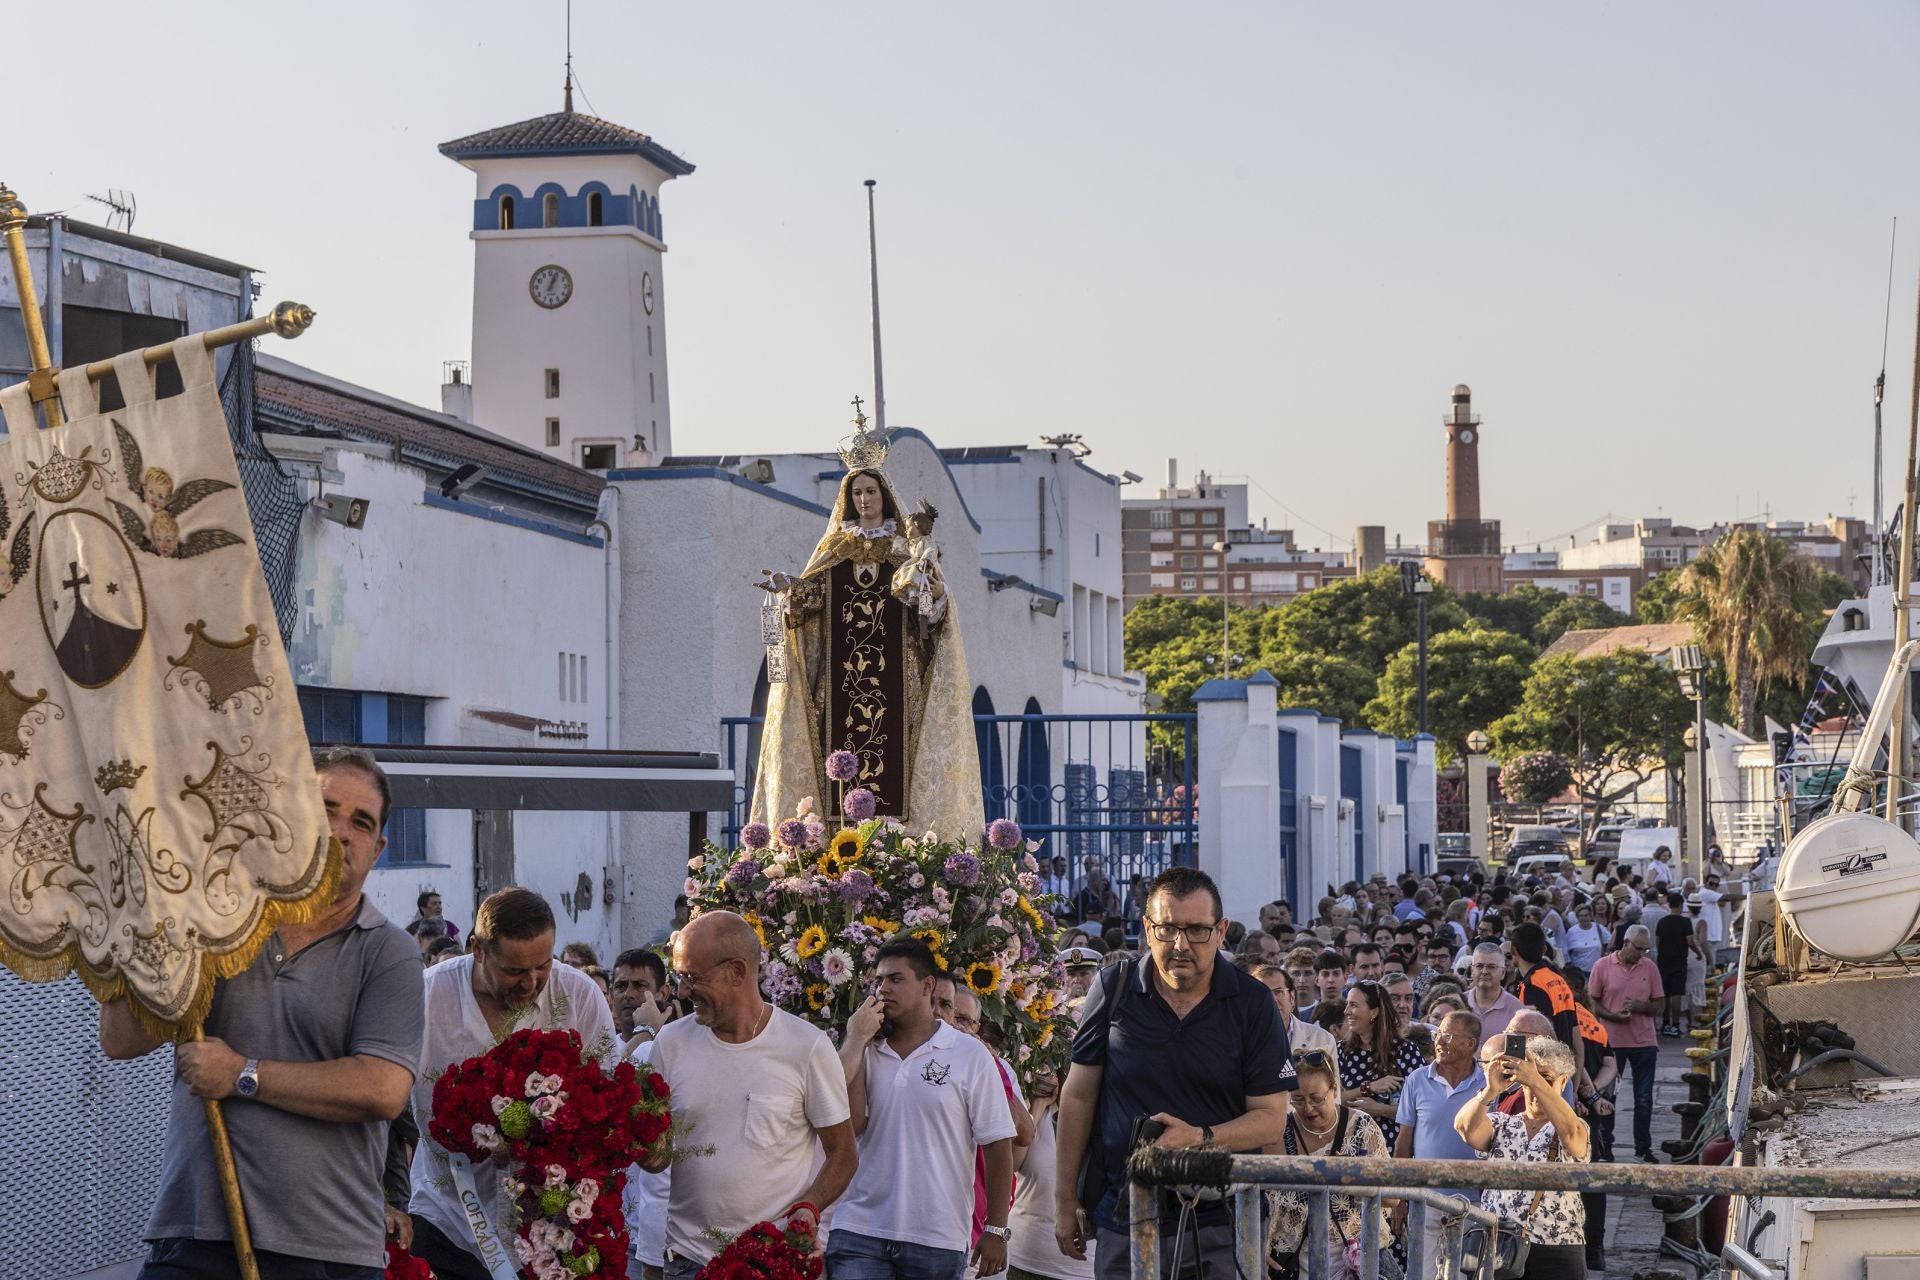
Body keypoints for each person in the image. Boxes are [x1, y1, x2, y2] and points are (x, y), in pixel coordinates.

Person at [100, 747, 424, 1279]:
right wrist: (147, 923)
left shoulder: (388, 951)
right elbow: (120, 1039)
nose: (341, 830)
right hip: (194, 1237)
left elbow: (382, 1089)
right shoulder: (215, 920)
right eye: (326, 808)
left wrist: (241, 1075)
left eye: (361, 822)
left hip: (329, 1251)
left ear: (379, 848)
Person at [1055, 867, 1294, 1280]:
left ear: (1220, 932)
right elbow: (1077, 1097)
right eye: (1167, 928)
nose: (1181, 944)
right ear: (1148, 929)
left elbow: (1270, 1118)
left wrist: (1199, 1138)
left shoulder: (1252, 1002)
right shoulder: (1112, 988)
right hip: (1123, 1215)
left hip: (1220, 1221)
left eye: (1197, 930)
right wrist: (1063, 1203)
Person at [749, 456, 980, 839]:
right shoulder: (835, 550)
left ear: (884, 496)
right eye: (856, 492)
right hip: (840, 683)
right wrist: (788, 587)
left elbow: (930, 608)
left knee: (900, 758)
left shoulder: (907, 552)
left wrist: (930, 588)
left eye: (870, 491)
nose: (864, 499)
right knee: (835, 761)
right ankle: (832, 843)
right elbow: (813, 599)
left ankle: (902, 844)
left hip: (899, 684)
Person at [409, 887, 617, 1280]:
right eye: (515, 971)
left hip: (550, 1233)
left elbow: (608, 1102)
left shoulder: (578, 996)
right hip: (447, 1221)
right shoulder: (426, 997)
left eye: (543, 965)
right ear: (477, 949)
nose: (531, 982)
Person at [648, 912, 856, 1278]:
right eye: (679, 978)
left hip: (772, 1262)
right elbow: (657, 1155)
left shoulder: (805, 1048)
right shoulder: (671, 1043)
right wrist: (637, 1143)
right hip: (686, 1259)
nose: (681, 991)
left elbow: (843, 1152)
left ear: (737, 972)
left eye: (692, 978)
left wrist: (810, 1206)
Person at [834, 938, 1016, 1280]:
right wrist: (856, 1040)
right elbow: (853, 1124)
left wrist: (995, 1229)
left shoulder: (968, 1054)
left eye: (895, 979)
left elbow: (997, 1144)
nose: (883, 989)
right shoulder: (869, 1049)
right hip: (859, 1229)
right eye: (879, 981)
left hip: (936, 1237)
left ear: (927, 986)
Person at [1453, 1035, 1591, 1280]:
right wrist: (1491, 1090)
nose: (1534, 1087)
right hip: (1500, 1244)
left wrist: (1534, 1079)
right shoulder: (1503, 1123)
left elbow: (1572, 1134)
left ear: (1563, 1082)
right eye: (1527, 1079)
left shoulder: (1574, 1125)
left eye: (1546, 1078)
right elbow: (1464, 1127)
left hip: (1555, 1246)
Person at [1263, 1049, 1391, 1280]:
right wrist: (1258, 1246)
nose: (1308, 1109)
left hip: (1356, 1259)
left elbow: (1393, 1197)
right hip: (1294, 1261)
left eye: (1316, 1098)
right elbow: (1264, 1199)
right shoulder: (1280, 1132)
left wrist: (1351, 1178)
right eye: (1298, 1100)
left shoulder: (1362, 1127)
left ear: (1334, 1090)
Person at [1391, 1011, 1487, 1280]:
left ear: (1470, 1044)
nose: (1439, 1041)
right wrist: (1399, 1199)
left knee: (1468, 1274)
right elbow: (1403, 1142)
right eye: (1438, 1035)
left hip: (1476, 1199)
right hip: (1427, 1199)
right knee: (1422, 1274)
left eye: (1447, 1036)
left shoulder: (1488, 1083)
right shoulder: (1417, 1080)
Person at [1008, 1065, 1094, 1280]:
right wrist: (1037, 1107)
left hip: (1083, 1270)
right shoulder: (1042, 1113)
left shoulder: (1109, 1122)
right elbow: (1011, 1164)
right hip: (1023, 1259)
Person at [1587, 925, 1663, 1163]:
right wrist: (1612, 1015)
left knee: (1643, 1098)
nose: (1642, 953)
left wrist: (1641, 1007)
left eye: (1645, 949)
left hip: (1644, 1041)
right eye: (1638, 948)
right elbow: (1592, 1002)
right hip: (1611, 1042)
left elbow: (1660, 1006)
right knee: (1608, 1096)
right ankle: (1604, 1143)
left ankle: (1642, 1147)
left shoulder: (1649, 968)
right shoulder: (1602, 966)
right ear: (1626, 943)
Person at [1336, 979, 1429, 1150]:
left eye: (1353, 1005)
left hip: (1394, 1148)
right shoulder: (1341, 1050)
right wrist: (1368, 1087)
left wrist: (1381, 1109)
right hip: (1349, 1148)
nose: (1346, 1011)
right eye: (1347, 1004)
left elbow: (1424, 1108)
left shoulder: (1406, 1052)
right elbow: (1331, 1102)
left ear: (1374, 1012)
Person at [1247, 962, 1336, 1063]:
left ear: (1292, 997)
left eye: (1278, 992)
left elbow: (1332, 1078)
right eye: (1264, 993)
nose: (1272, 1000)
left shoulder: (1322, 1039)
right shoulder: (1241, 1042)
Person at [610, 948, 671, 1059]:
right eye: (620, 986)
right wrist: (645, 1031)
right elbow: (612, 1075)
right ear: (611, 995)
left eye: (640, 985)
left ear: (662, 993)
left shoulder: (677, 1049)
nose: (628, 994)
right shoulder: (598, 1053)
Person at [1652, 891, 1699, 1037]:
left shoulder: (1662, 921)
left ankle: (1665, 1024)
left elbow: (1658, 942)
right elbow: (1690, 941)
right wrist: (1698, 953)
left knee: (1665, 993)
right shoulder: (1685, 922)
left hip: (1663, 960)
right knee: (1677, 993)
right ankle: (1676, 1025)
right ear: (1680, 905)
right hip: (1679, 960)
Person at [1463, 943, 1523, 1045]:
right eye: (1479, 966)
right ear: (1472, 970)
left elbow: (1515, 1056)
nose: (1484, 971)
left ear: (1503, 973)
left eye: (1491, 967)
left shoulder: (1517, 1011)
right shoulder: (1459, 1003)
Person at [1562, 903, 1606, 975]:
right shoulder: (1572, 931)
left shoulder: (1599, 928)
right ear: (1577, 917)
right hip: (1579, 973)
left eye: (1586, 915)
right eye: (1581, 916)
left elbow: (1609, 943)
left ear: (1590, 916)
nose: (1584, 918)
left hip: (1597, 971)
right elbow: (1566, 951)